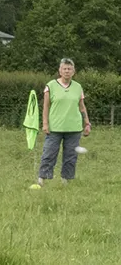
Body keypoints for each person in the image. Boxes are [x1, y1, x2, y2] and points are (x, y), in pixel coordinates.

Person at [37, 58, 92, 187]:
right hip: (55, 128)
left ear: (73, 71)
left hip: (74, 128)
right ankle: (42, 179)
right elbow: (46, 106)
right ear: (60, 71)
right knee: (49, 153)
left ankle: (65, 180)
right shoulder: (50, 86)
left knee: (70, 156)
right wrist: (45, 123)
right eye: (64, 69)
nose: (67, 71)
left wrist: (87, 123)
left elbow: (82, 106)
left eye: (69, 69)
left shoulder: (78, 87)